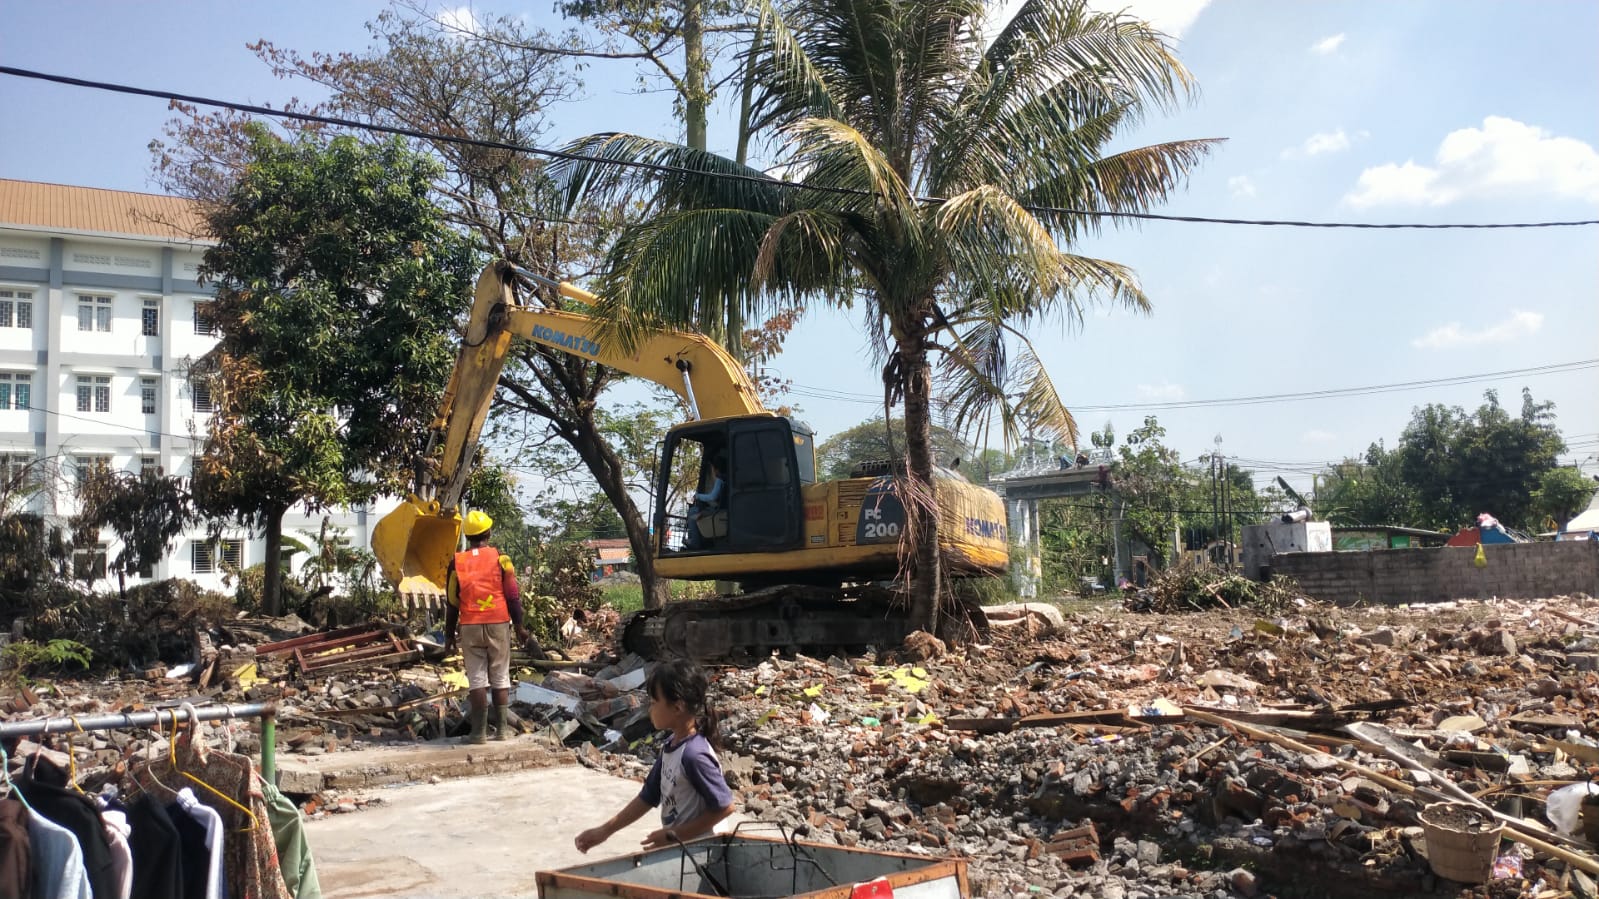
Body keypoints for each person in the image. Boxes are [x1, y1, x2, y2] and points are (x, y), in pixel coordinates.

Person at [574, 660, 734, 853]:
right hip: (685, 851)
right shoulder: (672, 745)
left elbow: (725, 807)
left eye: (653, 703)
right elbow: (648, 796)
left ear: (677, 707)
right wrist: (605, 831)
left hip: (707, 853)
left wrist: (673, 835)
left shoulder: (694, 755)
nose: (650, 710)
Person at [444, 509, 531, 743]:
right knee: (500, 676)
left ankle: (478, 733)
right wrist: (520, 626)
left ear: (468, 536)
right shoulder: (502, 559)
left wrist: (449, 635)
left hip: (470, 624)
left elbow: (452, 603)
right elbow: (513, 596)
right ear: (489, 533)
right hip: (498, 622)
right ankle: (502, 731)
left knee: (477, 679)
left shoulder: (457, 563)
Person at [684, 457, 726, 550]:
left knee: (692, 512)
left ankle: (695, 542)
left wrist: (698, 496)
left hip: (717, 510)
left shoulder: (719, 480)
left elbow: (712, 497)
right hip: (720, 508)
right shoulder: (727, 479)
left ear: (716, 469)